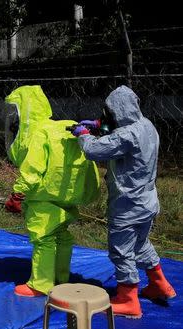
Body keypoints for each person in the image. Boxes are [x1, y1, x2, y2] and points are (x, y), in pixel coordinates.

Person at [72, 85, 176, 318]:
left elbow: (94, 150)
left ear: (118, 111)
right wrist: (100, 126)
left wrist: (83, 135)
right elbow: (119, 137)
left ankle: (128, 300)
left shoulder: (126, 135)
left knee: (121, 252)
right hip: (148, 202)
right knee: (140, 244)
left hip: (128, 206)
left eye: (109, 112)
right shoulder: (147, 126)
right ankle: (159, 284)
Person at [4, 85, 100, 297]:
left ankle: (40, 284)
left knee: (44, 238)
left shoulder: (39, 133)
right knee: (62, 236)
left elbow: (33, 169)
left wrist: (17, 194)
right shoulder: (64, 126)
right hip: (69, 196)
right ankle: (61, 278)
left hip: (43, 196)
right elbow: (86, 159)